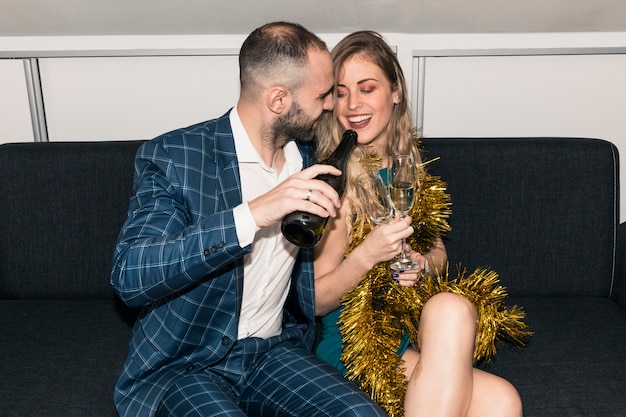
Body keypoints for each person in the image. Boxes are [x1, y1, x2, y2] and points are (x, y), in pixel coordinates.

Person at [110, 22, 387, 417]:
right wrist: (254, 213)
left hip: (271, 352)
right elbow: (131, 276)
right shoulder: (177, 157)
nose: (331, 106)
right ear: (278, 100)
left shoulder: (312, 161)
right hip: (187, 367)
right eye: (323, 95)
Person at [313, 31, 525, 417]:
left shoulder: (409, 169)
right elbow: (315, 299)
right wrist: (366, 256)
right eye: (341, 92)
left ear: (395, 92)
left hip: (403, 333)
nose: (352, 104)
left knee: (501, 396)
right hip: (354, 344)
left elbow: (438, 251)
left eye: (367, 88)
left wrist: (421, 263)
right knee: (495, 395)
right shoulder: (333, 180)